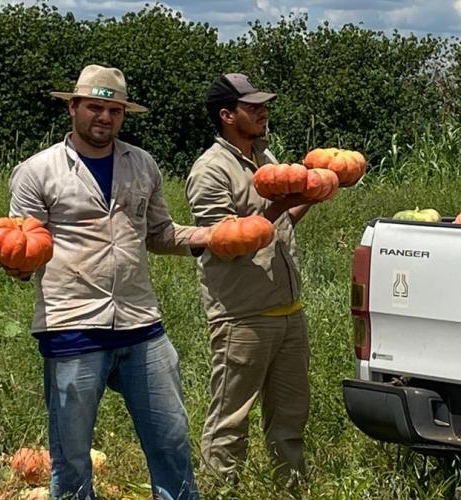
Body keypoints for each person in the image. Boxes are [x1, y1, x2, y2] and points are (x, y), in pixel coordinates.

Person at [6, 64, 206, 498]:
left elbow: (159, 234)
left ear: (123, 115)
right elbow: (22, 244)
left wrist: (211, 236)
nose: (105, 117)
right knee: (71, 456)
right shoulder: (37, 172)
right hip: (72, 326)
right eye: (95, 107)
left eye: (114, 110)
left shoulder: (142, 164)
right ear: (73, 107)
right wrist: (18, 267)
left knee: (172, 440)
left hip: (141, 323)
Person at [185, 73, 314, 481]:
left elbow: (282, 222)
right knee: (230, 417)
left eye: (264, 104)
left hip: (287, 309)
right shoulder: (211, 170)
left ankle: (289, 485)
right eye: (252, 106)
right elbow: (225, 241)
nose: (263, 112)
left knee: (291, 415)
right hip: (243, 314)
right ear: (227, 115)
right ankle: (223, 488)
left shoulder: (265, 156)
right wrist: (276, 208)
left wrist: (309, 197)